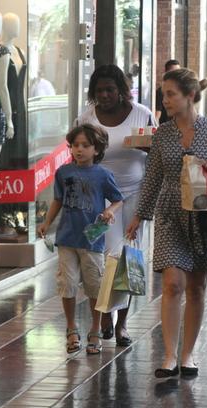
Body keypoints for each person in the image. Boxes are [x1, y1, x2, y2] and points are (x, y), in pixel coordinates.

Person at [126, 68, 207, 378]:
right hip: (170, 211)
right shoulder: (163, 134)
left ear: (190, 96)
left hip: (204, 215)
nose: (165, 99)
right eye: (164, 94)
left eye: (170, 94)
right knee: (173, 284)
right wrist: (139, 215)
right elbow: (153, 178)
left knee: (197, 288)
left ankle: (188, 354)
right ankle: (169, 355)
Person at [77, 64, 156, 347]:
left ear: (121, 90)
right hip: (101, 199)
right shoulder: (86, 118)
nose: (105, 95)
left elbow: (156, 153)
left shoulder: (141, 113)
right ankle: (106, 317)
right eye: (99, 91)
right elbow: (77, 153)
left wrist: (149, 147)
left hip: (136, 194)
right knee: (106, 257)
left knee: (129, 259)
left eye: (110, 89)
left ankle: (122, 323)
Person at [38, 124, 123, 355]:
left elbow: (118, 199)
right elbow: (57, 200)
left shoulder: (103, 175)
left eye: (85, 145)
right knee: (67, 284)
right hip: (67, 238)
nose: (79, 149)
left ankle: (95, 329)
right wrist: (47, 222)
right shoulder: (63, 173)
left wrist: (110, 211)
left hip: (92, 242)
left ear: (96, 149)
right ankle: (71, 328)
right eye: (75, 145)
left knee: (94, 286)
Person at [155, 59, 181, 124]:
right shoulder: (161, 92)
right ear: (166, 73)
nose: (176, 75)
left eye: (178, 72)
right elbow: (157, 115)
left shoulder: (182, 91)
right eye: (173, 72)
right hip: (166, 129)